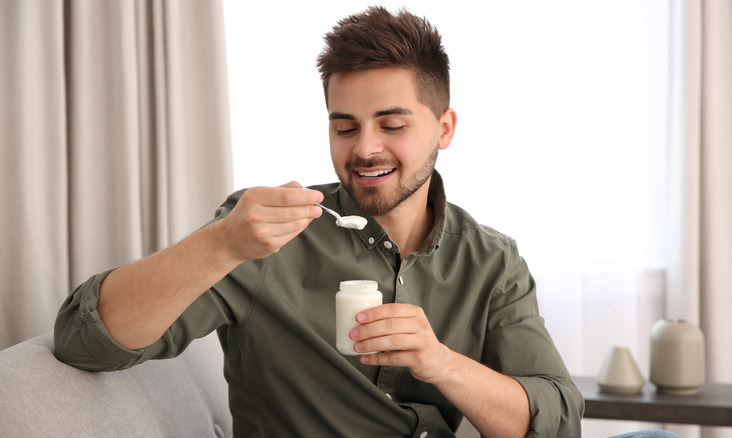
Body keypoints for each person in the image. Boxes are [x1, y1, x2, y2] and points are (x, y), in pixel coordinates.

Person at [54, 6, 584, 437]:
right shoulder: (261, 240)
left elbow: (558, 420)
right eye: (345, 127)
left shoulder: (491, 261)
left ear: (444, 128)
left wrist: (440, 362)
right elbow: (84, 342)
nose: (365, 149)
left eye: (392, 124)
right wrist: (220, 245)